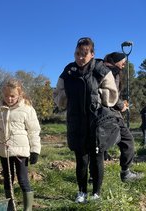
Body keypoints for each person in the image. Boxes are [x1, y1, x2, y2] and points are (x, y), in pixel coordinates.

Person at [53, 37, 118, 203]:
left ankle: (96, 193)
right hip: (76, 121)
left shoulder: (101, 69)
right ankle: (81, 192)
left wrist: (97, 95)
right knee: (81, 160)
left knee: (97, 159)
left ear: (92, 54)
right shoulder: (69, 71)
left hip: (97, 122)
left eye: (84, 54)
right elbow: (58, 95)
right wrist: (66, 97)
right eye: (77, 54)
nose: (80, 57)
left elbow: (112, 95)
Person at [0, 78, 41, 211]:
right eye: (6, 96)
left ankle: (27, 208)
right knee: (8, 178)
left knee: (23, 179)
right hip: (4, 150)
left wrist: (35, 150)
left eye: (12, 96)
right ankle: (10, 207)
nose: (9, 99)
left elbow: (34, 131)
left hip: (20, 150)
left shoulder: (27, 109)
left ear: (19, 94)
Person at [103, 52, 144, 182]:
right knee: (128, 141)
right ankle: (125, 173)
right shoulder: (112, 72)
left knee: (99, 144)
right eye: (123, 61)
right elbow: (110, 94)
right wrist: (121, 106)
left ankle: (93, 175)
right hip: (111, 114)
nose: (125, 64)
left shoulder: (103, 70)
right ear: (115, 61)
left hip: (102, 114)